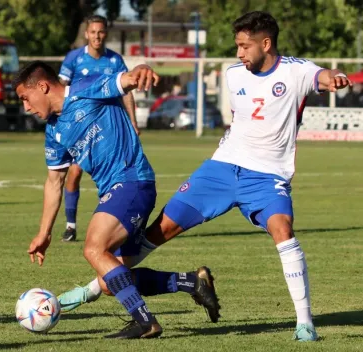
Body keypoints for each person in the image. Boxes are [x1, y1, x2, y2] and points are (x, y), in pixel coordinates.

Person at [58, 11, 352, 342]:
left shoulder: (295, 71)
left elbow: (322, 76)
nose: (239, 54)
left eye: (244, 46)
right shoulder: (234, 75)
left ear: (265, 44)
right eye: (237, 46)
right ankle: (91, 290)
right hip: (221, 170)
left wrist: (335, 77)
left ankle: (304, 323)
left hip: (266, 176)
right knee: (160, 230)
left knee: (283, 229)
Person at [12, 61, 220, 339]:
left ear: (43, 86)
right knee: (110, 280)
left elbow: (126, 81)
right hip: (118, 191)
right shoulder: (54, 131)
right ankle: (192, 282)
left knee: (94, 249)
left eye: (25, 98)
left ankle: (146, 322)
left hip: (131, 182)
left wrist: (142, 70)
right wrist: (43, 233)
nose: (26, 106)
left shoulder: (85, 88)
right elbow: (54, 182)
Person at [58, 15, 140, 242]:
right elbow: (61, 90)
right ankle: (71, 225)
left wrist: (133, 121)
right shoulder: (74, 59)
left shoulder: (114, 61)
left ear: (106, 34)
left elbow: (127, 90)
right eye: (93, 32)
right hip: (82, 127)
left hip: (110, 128)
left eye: (101, 32)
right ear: (86, 34)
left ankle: (115, 221)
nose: (97, 36)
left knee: (111, 174)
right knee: (74, 174)